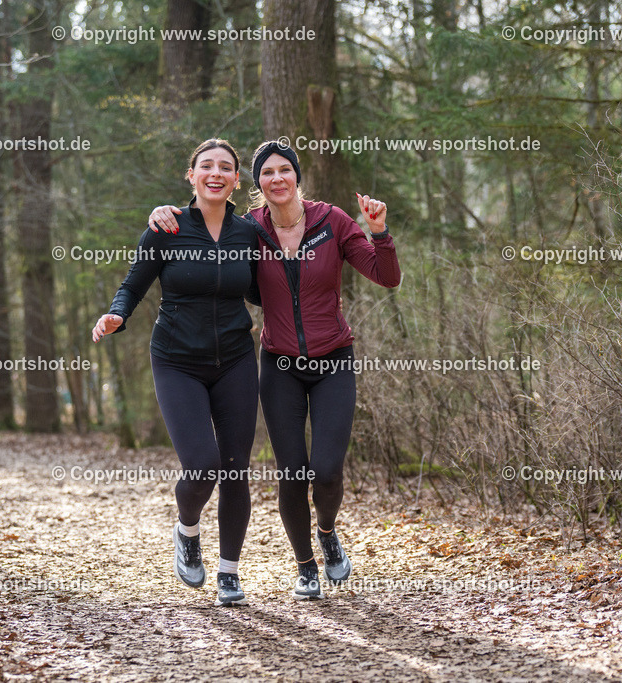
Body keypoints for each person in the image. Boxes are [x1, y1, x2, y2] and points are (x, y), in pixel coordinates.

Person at [148, 140, 401, 599]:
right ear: (258, 184)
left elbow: (386, 276)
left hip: (333, 360)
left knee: (325, 471)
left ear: (297, 177)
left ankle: (327, 533)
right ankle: (305, 566)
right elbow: (208, 237)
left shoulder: (332, 221)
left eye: (286, 170)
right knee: (292, 472)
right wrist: (163, 213)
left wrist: (379, 233)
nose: (277, 179)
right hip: (279, 363)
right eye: (268, 173)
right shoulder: (250, 231)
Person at [92, 139, 259, 607]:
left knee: (235, 469)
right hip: (176, 359)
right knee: (202, 464)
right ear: (191, 175)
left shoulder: (247, 234)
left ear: (235, 180)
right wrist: (116, 314)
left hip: (236, 360)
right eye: (206, 165)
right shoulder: (167, 227)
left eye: (226, 167)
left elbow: (266, 290)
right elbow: (133, 283)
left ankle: (229, 572)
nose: (216, 172)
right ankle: (187, 530)